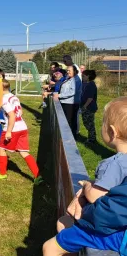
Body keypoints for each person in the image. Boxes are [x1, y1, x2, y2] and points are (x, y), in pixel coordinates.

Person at [43, 97, 127, 255]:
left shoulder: (114, 163)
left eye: (102, 123)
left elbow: (96, 196)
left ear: (112, 132)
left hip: (104, 228)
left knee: (53, 241)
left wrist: (88, 185)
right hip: (120, 227)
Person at [0, 80, 42, 184]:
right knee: (24, 152)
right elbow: (19, 111)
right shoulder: (13, 97)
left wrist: (9, 131)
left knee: (1, 149)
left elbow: (12, 115)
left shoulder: (4, 99)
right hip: (22, 127)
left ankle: (2, 173)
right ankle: (37, 175)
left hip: (13, 128)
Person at [55, 65, 81, 136]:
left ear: (75, 71)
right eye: (67, 70)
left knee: (70, 121)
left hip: (70, 104)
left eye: (69, 70)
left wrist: (59, 95)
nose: (67, 72)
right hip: (66, 102)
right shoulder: (69, 78)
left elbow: (72, 92)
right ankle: (67, 136)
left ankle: (70, 137)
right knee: (66, 121)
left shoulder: (76, 80)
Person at [81, 70, 98, 143]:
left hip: (89, 107)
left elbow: (90, 98)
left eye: (83, 76)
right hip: (86, 106)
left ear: (88, 76)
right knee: (86, 122)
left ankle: (92, 139)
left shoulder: (91, 85)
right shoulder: (86, 83)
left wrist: (84, 106)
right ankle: (91, 137)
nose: (82, 77)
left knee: (89, 123)